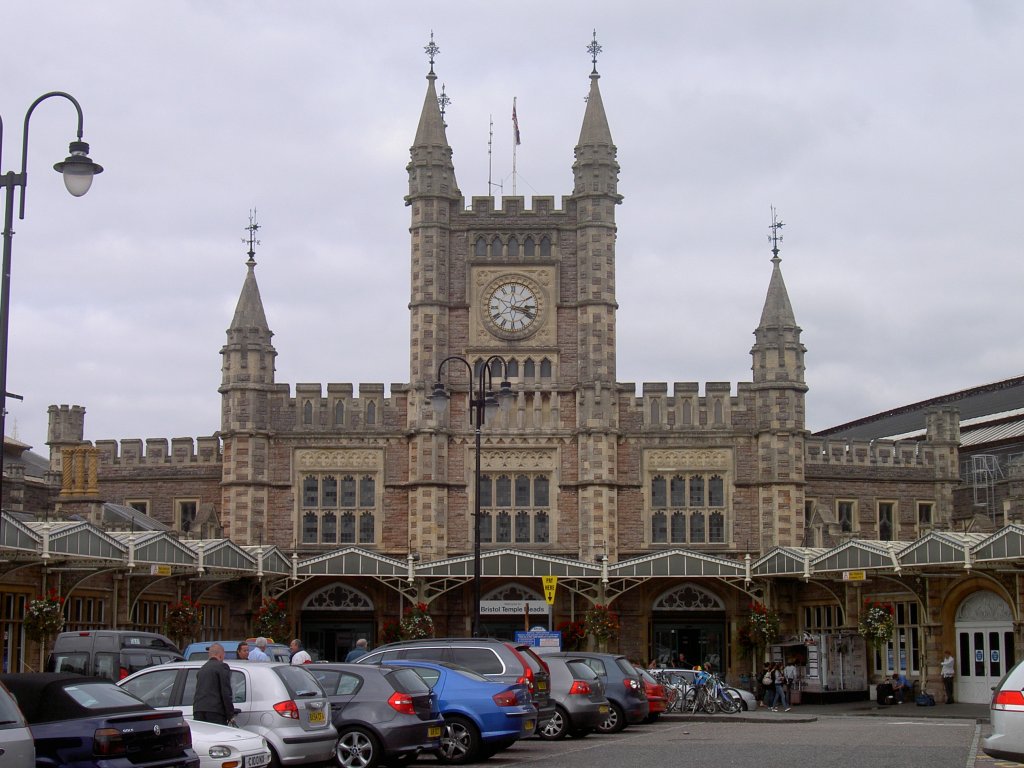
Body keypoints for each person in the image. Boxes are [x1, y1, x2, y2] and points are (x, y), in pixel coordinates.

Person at [193, 643, 235, 726]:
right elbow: (226, 692)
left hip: (198, 711)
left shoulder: (202, 669)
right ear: (220, 655)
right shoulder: (222, 667)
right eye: (223, 656)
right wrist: (230, 715)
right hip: (215, 712)